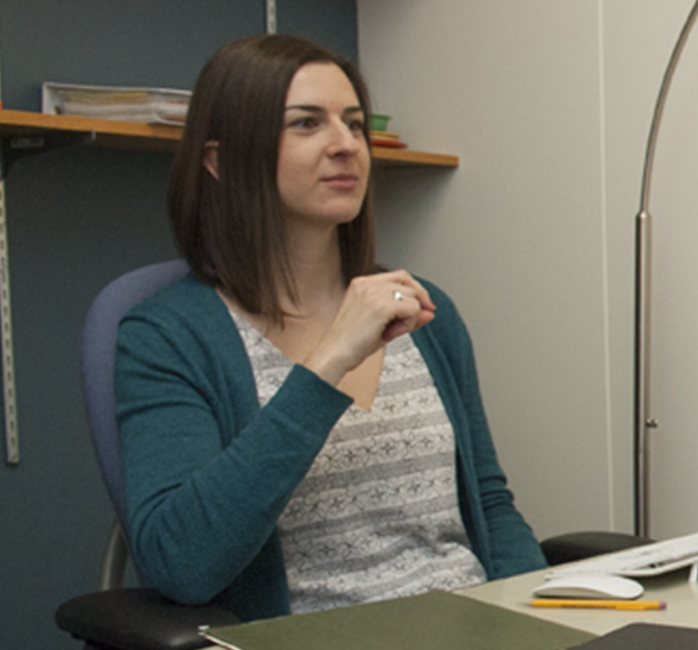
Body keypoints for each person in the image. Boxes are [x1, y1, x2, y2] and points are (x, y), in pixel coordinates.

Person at [116, 35, 546, 620]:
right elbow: (181, 561)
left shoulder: (423, 310)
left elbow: (489, 509)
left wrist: (542, 619)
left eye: (353, 124)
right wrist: (328, 364)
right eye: (306, 125)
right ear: (218, 160)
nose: (346, 146)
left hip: (471, 628)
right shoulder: (165, 336)